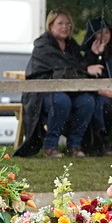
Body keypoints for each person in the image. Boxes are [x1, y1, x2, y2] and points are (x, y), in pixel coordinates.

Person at [23, 10, 95, 157]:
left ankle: (74, 145)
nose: (65, 27)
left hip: (72, 90)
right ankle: (50, 146)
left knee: (87, 101)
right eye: (60, 23)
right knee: (61, 101)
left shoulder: (72, 46)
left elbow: (81, 67)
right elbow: (59, 69)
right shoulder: (42, 45)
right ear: (50, 25)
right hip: (43, 92)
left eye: (68, 24)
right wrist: (83, 69)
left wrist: (93, 53)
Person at [81, 17, 112, 155]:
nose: (103, 36)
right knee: (105, 108)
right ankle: (103, 142)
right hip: (97, 95)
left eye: (106, 32)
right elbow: (82, 76)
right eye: (99, 32)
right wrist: (94, 55)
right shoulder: (85, 56)